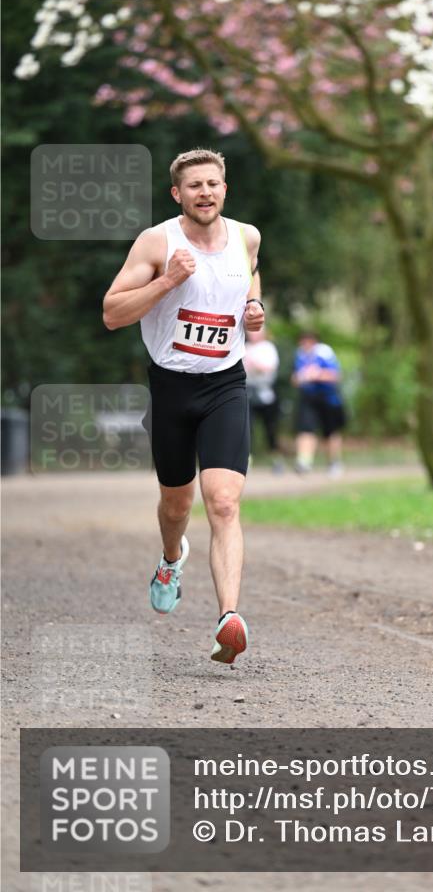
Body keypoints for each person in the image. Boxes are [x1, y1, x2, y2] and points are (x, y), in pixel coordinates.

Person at [102, 148, 264, 665]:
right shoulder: (157, 241)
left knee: (222, 502)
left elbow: (250, 275)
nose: (206, 193)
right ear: (178, 194)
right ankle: (172, 559)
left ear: (225, 188)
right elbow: (111, 313)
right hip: (172, 388)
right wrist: (168, 281)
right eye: (195, 186)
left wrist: (255, 306)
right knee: (177, 504)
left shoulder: (247, 236)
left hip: (225, 386)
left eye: (213, 184)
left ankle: (228, 620)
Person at [292, 332, 345, 475]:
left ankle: (333, 462)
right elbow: (295, 378)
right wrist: (301, 378)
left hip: (328, 398)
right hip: (309, 397)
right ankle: (304, 462)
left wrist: (317, 375)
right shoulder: (300, 355)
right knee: (305, 429)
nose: (304, 345)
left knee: (330, 432)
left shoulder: (324, 352)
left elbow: (335, 375)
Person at [244, 326, 284, 472]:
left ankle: (276, 459)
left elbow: (269, 368)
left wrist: (255, 365)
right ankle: (246, 460)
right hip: (248, 391)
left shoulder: (268, 348)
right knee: (246, 428)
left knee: (271, 429)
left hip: (266, 393)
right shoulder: (245, 347)